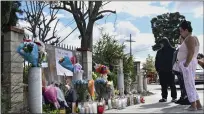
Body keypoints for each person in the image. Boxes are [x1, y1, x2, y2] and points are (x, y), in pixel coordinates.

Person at [177, 20, 202, 111]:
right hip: (189, 62)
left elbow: (191, 52)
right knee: (191, 84)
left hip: (188, 63)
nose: (180, 33)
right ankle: (198, 104)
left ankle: (193, 105)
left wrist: (186, 63)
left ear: (186, 30)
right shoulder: (189, 38)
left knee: (189, 84)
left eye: (181, 31)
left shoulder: (190, 38)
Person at [154, 38, 177, 102]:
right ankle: (164, 97)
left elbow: (176, 60)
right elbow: (156, 61)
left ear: (165, 43)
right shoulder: (159, 51)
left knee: (172, 84)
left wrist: (175, 68)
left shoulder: (173, 50)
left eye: (162, 43)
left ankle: (174, 97)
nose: (161, 45)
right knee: (163, 85)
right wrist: (157, 69)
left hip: (171, 70)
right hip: (162, 71)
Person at [172, 36, 190, 105]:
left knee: (184, 84)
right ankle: (182, 97)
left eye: (181, 39)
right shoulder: (179, 47)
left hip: (183, 68)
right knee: (181, 84)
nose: (179, 40)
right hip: (178, 68)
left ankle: (186, 98)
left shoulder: (186, 47)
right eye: (179, 39)